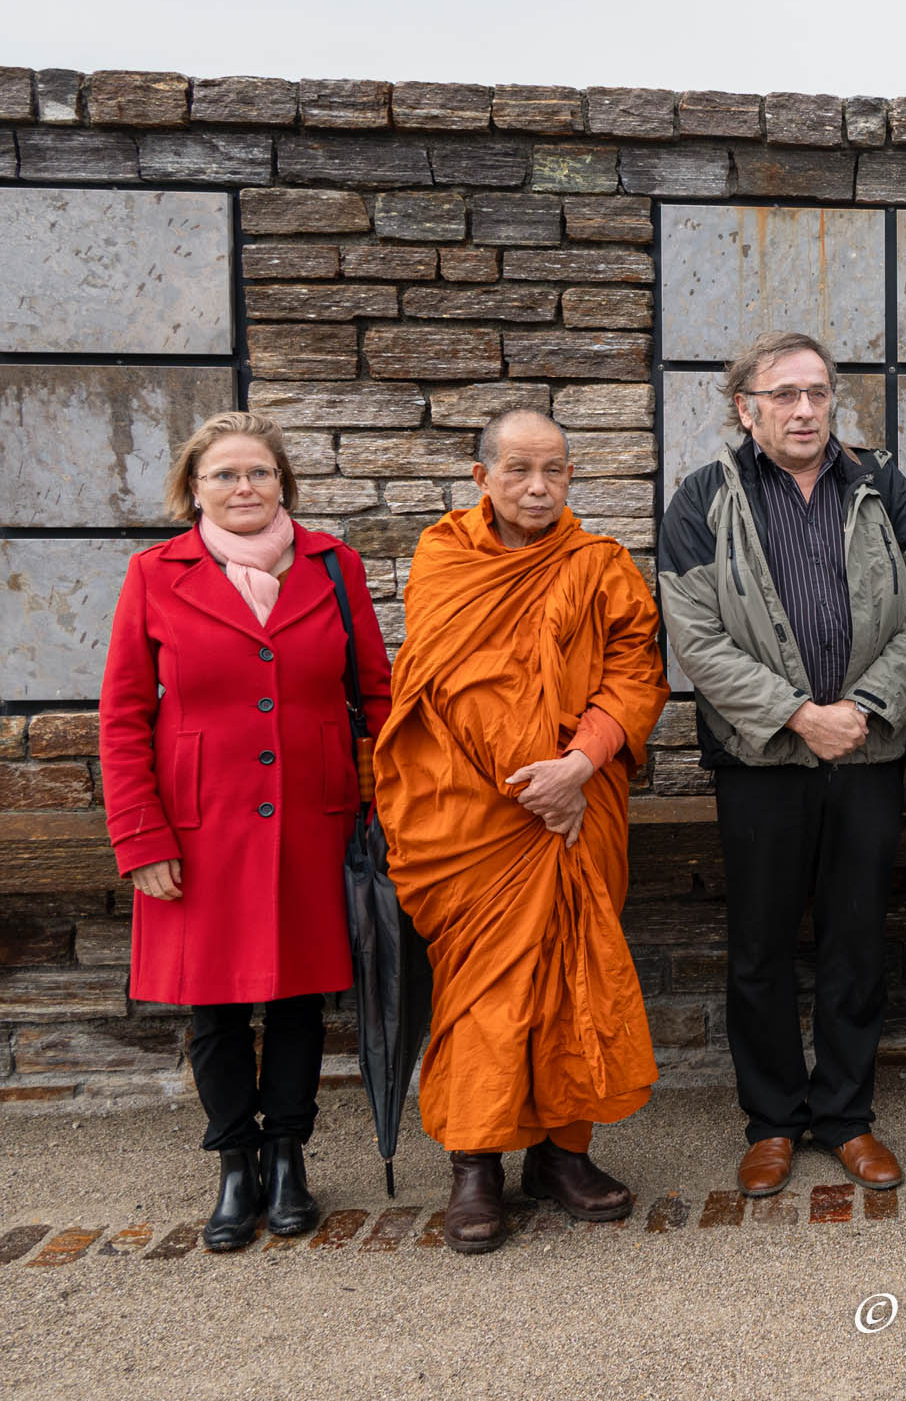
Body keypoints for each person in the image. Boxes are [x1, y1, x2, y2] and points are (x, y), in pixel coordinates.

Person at [659, 331, 906, 1200]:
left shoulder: (880, 485)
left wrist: (862, 711)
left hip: (868, 751)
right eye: (783, 394)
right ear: (744, 407)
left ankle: (846, 1116)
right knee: (758, 944)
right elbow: (696, 637)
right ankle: (771, 1122)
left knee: (856, 937)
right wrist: (795, 714)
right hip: (761, 759)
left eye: (817, 393)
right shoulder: (703, 498)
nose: (803, 409)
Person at [375, 410, 670, 1254]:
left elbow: (635, 672)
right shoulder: (445, 561)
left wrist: (580, 766)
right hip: (471, 812)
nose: (538, 488)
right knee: (483, 989)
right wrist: (545, 786)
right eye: (518, 471)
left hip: (578, 800)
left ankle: (562, 1155)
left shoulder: (600, 566)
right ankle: (475, 1165)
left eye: (555, 471)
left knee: (575, 974)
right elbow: (457, 689)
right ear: (481, 478)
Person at [98, 412, 391, 1252]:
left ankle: (289, 1155)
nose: (243, 488)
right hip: (198, 827)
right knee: (216, 1005)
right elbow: (121, 716)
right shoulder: (155, 573)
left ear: (282, 484)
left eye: (259, 473)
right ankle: (235, 1163)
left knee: (300, 998)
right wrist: (141, 837)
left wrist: (389, 804)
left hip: (314, 816)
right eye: (223, 475)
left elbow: (375, 694)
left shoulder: (333, 566)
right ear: (195, 488)